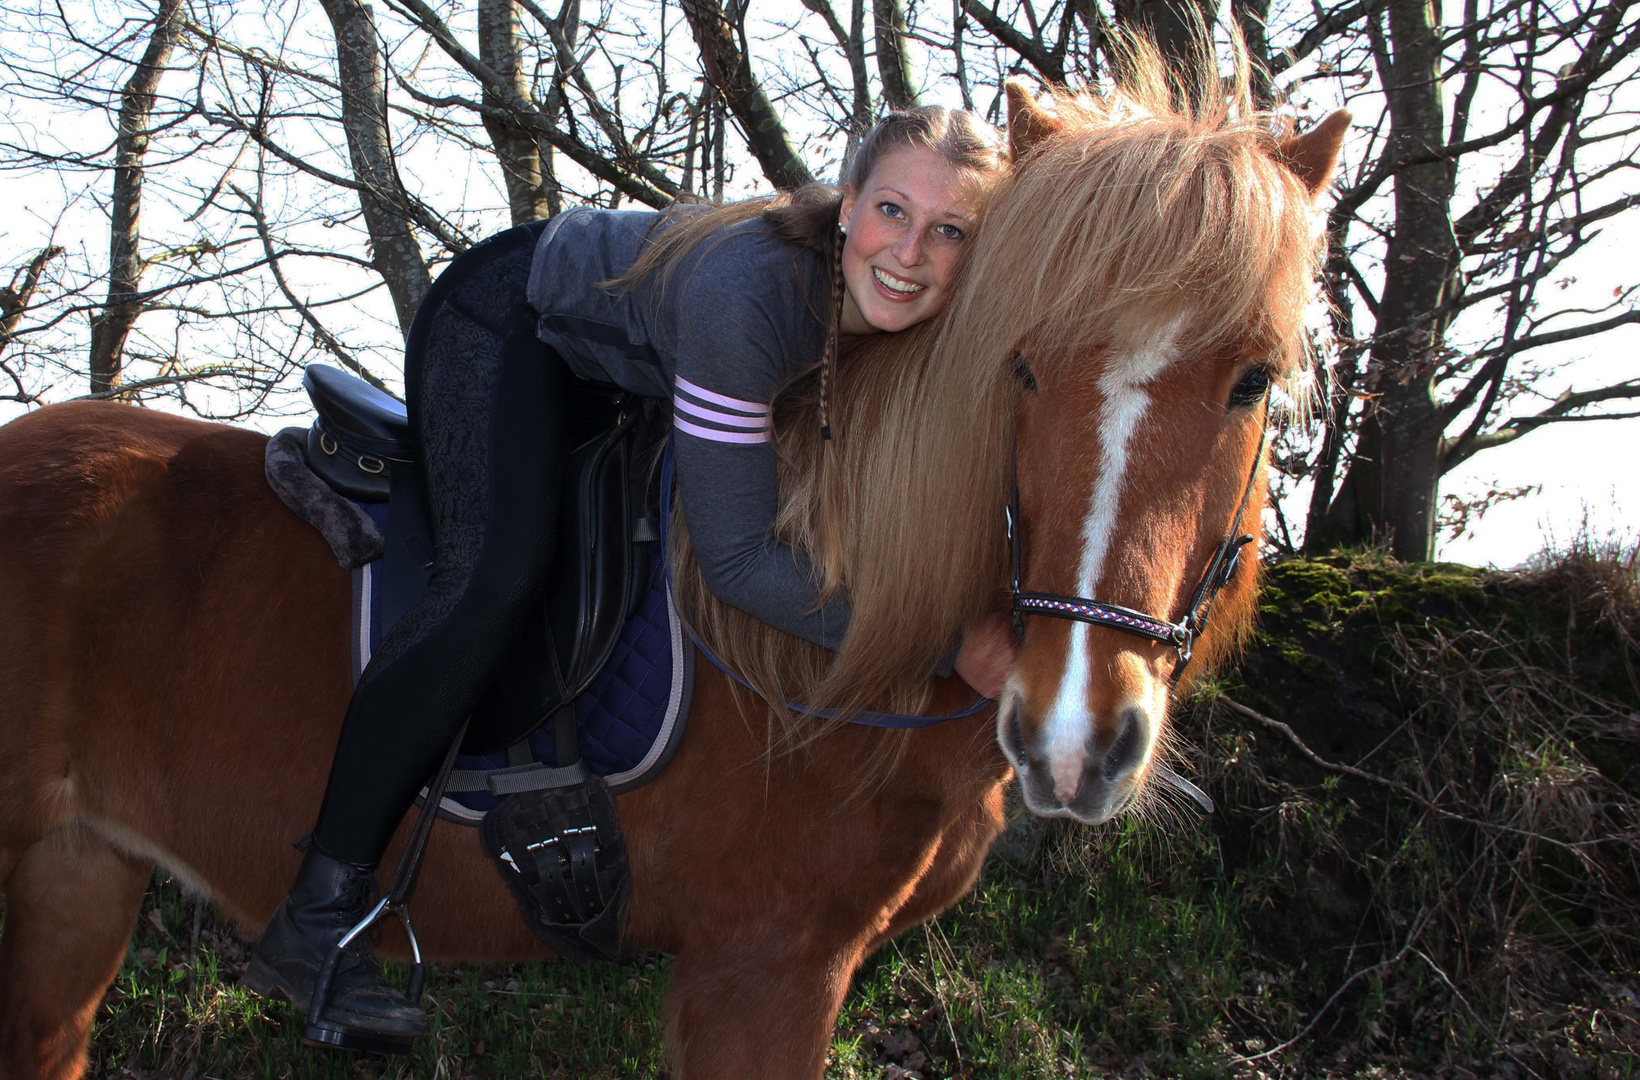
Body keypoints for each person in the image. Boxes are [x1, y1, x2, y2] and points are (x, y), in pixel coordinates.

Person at [242, 106, 1014, 1041]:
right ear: (846, 205)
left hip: (627, 366)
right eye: (893, 210)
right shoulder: (751, 299)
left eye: (950, 231)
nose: (912, 250)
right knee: (499, 574)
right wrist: (938, 647)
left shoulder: (921, 311)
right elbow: (733, 563)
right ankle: (317, 911)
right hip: (512, 321)